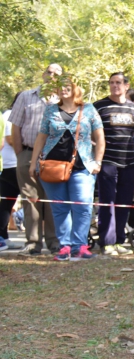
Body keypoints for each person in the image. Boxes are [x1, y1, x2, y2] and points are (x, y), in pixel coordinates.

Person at [29, 75, 105, 261]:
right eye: (60, 86)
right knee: (59, 207)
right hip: (53, 166)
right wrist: (33, 163)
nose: (64, 89)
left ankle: (80, 247)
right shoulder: (51, 110)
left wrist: (98, 161)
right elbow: (41, 137)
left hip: (82, 165)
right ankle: (65, 247)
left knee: (83, 205)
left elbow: (100, 137)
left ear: (75, 87)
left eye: (67, 85)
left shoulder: (88, 109)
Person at [8, 64, 62, 256]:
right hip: (27, 153)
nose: (52, 75)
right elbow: (15, 127)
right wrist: (20, 154)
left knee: (52, 200)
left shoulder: (63, 99)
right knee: (31, 199)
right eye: (49, 72)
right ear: (43, 74)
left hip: (54, 158)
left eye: (57, 73)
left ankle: (54, 242)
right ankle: (32, 243)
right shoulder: (25, 96)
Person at [93, 72, 134, 256]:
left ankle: (119, 240)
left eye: (118, 83)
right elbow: (91, 133)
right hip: (107, 162)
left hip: (129, 162)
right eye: (112, 83)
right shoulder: (99, 106)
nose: (115, 86)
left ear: (126, 86)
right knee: (107, 202)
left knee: (124, 202)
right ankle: (107, 242)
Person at [0, 93, 23, 250]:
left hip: (17, 164)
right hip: (12, 165)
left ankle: (3, 237)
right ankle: (2, 236)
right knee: (8, 202)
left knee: (8, 202)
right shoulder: (9, 115)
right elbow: (9, 139)